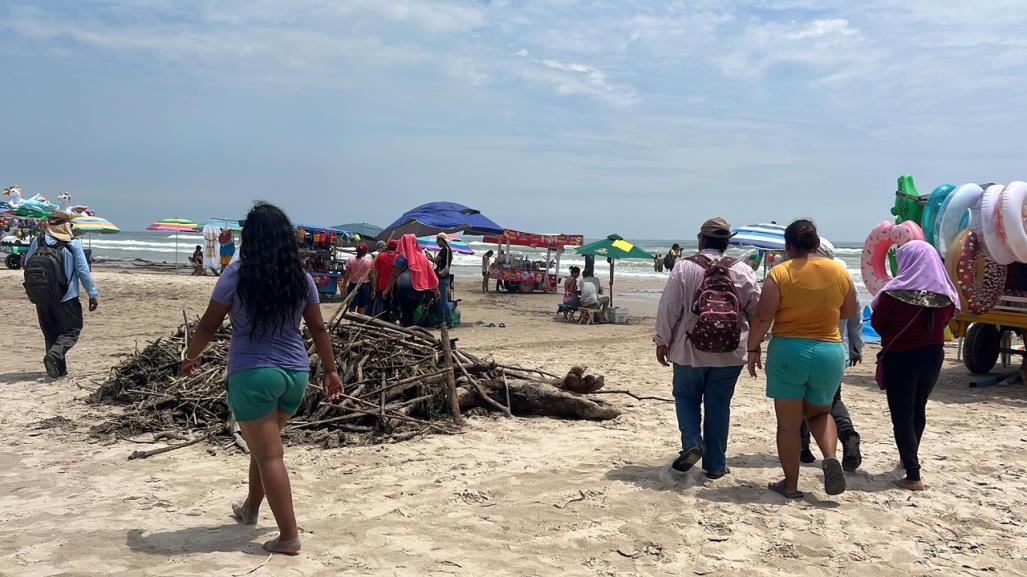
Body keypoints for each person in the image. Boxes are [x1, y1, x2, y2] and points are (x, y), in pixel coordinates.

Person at [180, 202, 342, 555]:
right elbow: (317, 327)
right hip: (295, 375)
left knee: (270, 456)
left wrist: (191, 356)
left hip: (252, 374)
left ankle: (288, 536)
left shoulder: (236, 274)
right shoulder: (302, 278)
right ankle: (251, 509)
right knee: (263, 448)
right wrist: (330, 369)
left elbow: (209, 323)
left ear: (250, 239)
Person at [746, 219, 857, 499]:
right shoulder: (840, 272)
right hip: (829, 351)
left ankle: (791, 485)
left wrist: (753, 347)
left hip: (789, 351)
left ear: (788, 246)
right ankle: (830, 456)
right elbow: (848, 311)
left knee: (789, 425)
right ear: (817, 243)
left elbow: (762, 316)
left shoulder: (780, 273)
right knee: (820, 413)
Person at [655, 218, 760, 479]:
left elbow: (669, 307)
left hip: (688, 348)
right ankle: (715, 465)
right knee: (719, 405)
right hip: (731, 351)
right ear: (727, 243)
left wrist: (662, 339)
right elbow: (757, 311)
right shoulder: (743, 270)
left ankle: (692, 442)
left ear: (701, 240)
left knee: (686, 397)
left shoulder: (683, 267)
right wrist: (755, 346)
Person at [871, 240, 958, 491]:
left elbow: (878, 323)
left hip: (901, 357)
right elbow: (945, 323)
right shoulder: (946, 294)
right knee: (918, 408)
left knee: (901, 414)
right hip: (932, 355)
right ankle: (908, 457)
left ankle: (913, 474)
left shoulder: (892, 293)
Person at [799, 241, 865, 471]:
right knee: (832, 399)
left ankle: (803, 449)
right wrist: (856, 346)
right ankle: (847, 434)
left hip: (804, 348)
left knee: (799, 398)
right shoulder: (844, 277)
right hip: (837, 350)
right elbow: (856, 317)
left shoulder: (804, 276)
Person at [24, 212, 99, 378]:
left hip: (42, 296)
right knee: (72, 331)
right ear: (66, 226)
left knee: (51, 333)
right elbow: (83, 271)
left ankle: (59, 370)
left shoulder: (38, 241)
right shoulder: (73, 244)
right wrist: (92, 294)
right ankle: (54, 356)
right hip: (67, 298)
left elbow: (27, 263)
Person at [386, 234, 441, 328]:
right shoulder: (422, 257)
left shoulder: (401, 257)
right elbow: (430, 274)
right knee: (409, 312)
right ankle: (408, 327)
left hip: (403, 288)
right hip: (419, 289)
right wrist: (436, 289)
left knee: (407, 312)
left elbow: (394, 275)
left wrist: (387, 289)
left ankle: (408, 330)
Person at [370, 239, 399, 319]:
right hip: (394, 285)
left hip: (381, 285)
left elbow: (376, 274)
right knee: (392, 306)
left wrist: (374, 288)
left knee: (381, 307)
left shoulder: (380, 256)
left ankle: (380, 322)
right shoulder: (398, 258)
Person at [433, 233, 454, 329]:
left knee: (443, 301)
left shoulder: (444, 250)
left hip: (442, 278)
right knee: (440, 300)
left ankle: (449, 322)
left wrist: (428, 257)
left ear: (442, 240)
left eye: (438, 240)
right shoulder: (448, 250)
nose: (437, 242)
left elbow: (435, 260)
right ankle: (442, 321)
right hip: (445, 277)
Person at [345, 243, 373, 314]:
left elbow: (346, 275)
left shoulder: (350, 260)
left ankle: (351, 323)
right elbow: (371, 276)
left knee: (351, 307)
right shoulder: (369, 262)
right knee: (361, 307)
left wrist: (343, 285)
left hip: (353, 286)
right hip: (364, 287)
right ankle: (358, 323)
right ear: (366, 252)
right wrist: (373, 288)